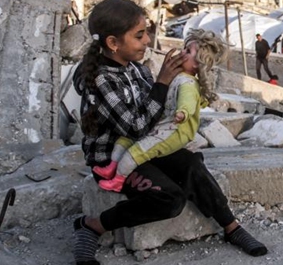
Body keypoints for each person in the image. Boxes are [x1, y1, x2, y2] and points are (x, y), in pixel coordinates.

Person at [72, 0, 267, 265]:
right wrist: (163, 82)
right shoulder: (102, 80)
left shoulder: (137, 69)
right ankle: (94, 225)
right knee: (170, 198)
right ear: (113, 43)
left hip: (144, 147)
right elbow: (136, 125)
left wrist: (187, 89)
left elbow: (156, 111)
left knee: (191, 164)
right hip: (114, 158)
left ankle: (231, 226)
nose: (147, 40)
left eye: (147, 32)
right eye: (139, 35)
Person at [92, 30, 226, 192]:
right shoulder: (176, 76)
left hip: (173, 129)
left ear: (197, 64)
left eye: (188, 51)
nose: (182, 52)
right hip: (161, 124)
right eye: (185, 48)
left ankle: (119, 180)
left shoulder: (188, 84)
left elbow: (188, 103)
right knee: (125, 140)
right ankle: (112, 167)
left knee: (136, 152)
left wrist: (182, 113)